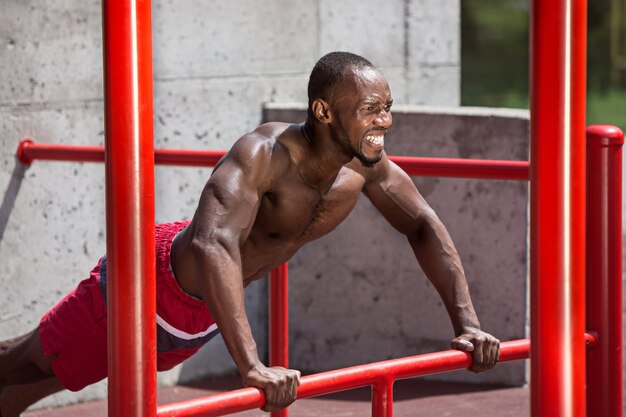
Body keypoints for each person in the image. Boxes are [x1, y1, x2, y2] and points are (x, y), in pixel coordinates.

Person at [0, 51, 500, 416]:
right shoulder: (264, 153)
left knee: (58, 376)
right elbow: (212, 242)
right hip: (147, 288)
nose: (384, 121)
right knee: (24, 361)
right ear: (324, 110)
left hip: (204, 315)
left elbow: (422, 224)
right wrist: (252, 365)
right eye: (370, 109)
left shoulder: (367, 168)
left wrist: (467, 322)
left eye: (387, 106)